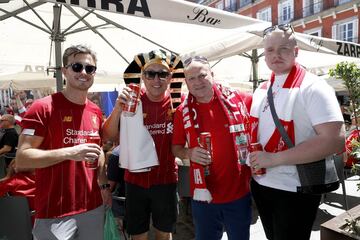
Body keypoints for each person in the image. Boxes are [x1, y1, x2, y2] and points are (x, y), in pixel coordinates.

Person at [249, 24, 345, 240]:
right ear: (264, 55)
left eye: (283, 48)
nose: (276, 55)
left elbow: (334, 141)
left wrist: (273, 159)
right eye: (270, 50)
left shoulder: (314, 86)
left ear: (296, 51)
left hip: (295, 189)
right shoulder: (262, 89)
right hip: (261, 183)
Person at [16, 45, 111, 240]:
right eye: (77, 67)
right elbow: (22, 159)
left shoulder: (95, 110)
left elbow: (98, 150)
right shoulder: (42, 107)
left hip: (93, 207)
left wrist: (103, 186)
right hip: (55, 212)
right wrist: (70, 152)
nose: (84, 72)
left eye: (89, 68)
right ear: (64, 71)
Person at [103, 49, 184, 240]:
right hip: (135, 181)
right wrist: (116, 109)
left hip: (166, 181)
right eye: (150, 74)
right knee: (138, 235)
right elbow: (108, 136)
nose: (156, 79)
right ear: (143, 77)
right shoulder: (132, 102)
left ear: (170, 77)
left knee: (164, 234)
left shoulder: (178, 106)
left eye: (162, 74)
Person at [171, 56, 252, 240]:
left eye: (202, 75)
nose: (197, 82)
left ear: (212, 74)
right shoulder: (182, 111)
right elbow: (175, 148)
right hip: (203, 196)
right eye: (191, 78)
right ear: (186, 82)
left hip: (238, 193)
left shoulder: (238, 98)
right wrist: (188, 153)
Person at [0, 159, 36, 224]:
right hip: (39, 219)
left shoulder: (12, 182)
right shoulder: (40, 180)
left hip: (17, 220)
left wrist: (7, 177)